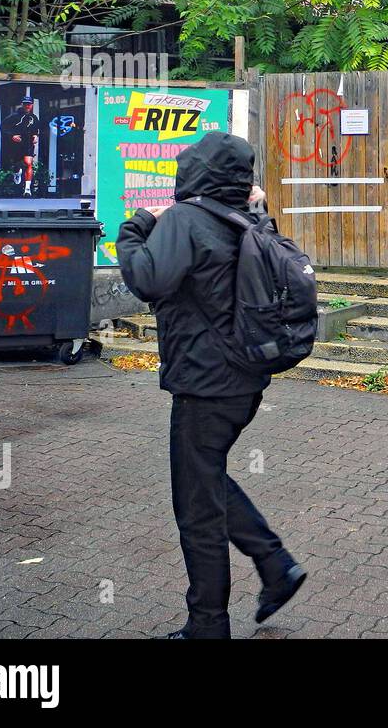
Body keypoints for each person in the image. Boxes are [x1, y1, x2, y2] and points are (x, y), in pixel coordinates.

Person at [116, 132, 307, 639]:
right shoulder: (248, 219)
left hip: (204, 383)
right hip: (245, 379)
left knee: (197, 508)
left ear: (196, 171)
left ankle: (207, 627)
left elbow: (146, 279)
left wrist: (135, 226)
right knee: (206, 478)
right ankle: (274, 563)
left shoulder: (185, 220)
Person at [1, 96, 40, 197]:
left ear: (32, 105)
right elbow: (3, 127)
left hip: (28, 144)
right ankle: (17, 171)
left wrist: (36, 136)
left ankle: (27, 189)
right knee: (17, 164)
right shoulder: (13, 117)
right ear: (22, 104)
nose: (27, 106)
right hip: (16, 145)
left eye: (29, 104)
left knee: (28, 163)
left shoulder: (34, 118)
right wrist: (12, 135)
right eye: (25, 104)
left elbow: (36, 129)